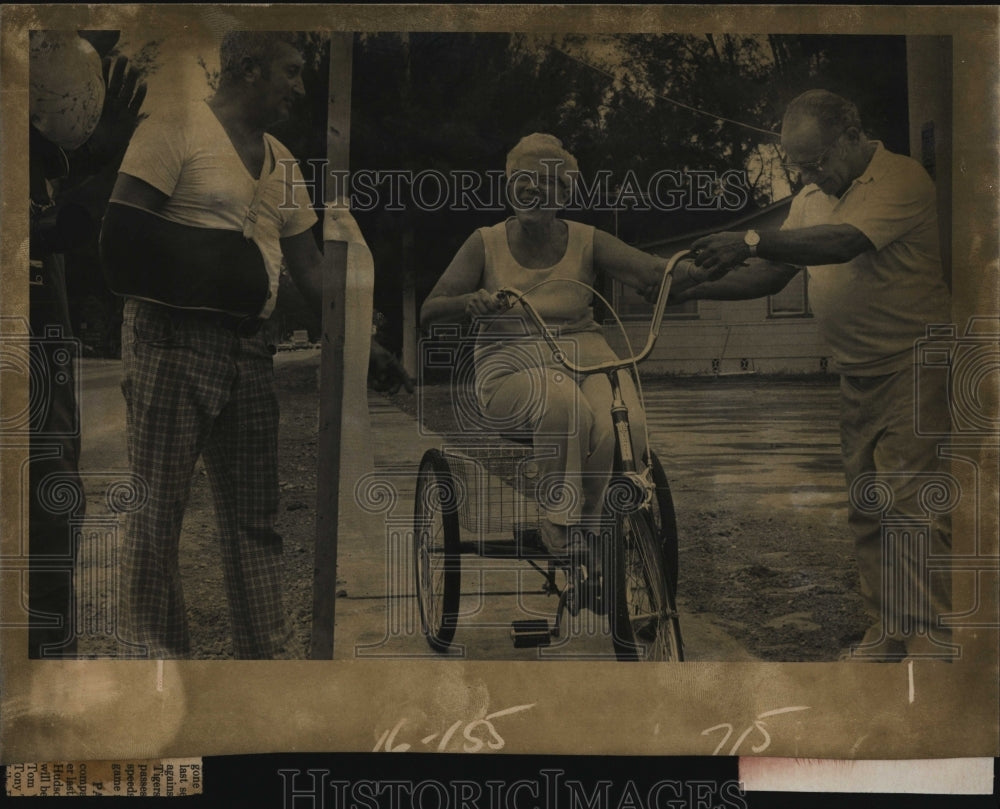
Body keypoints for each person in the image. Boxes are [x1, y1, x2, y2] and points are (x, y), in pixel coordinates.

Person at [100, 31, 410, 659]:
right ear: (247, 68)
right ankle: (160, 674)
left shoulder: (283, 162)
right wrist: (216, 267)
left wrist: (361, 343)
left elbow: (314, 275)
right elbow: (121, 239)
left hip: (249, 352)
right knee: (157, 519)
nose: (300, 87)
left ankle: (263, 672)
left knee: (253, 523)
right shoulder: (176, 128)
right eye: (290, 72)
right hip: (171, 342)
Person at [677, 89, 953, 661]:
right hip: (856, 373)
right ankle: (888, 633)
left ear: (854, 136)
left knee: (911, 506)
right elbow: (772, 276)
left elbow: (843, 242)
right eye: (798, 165)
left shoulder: (901, 180)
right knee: (869, 507)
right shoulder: (810, 198)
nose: (810, 174)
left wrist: (750, 237)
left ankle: (933, 643)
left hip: (915, 364)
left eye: (818, 160)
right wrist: (683, 283)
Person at [421, 133, 723, 561]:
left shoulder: (586, 239)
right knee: (562, 402)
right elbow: (430, 310)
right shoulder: (485, 242)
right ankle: (558, 520)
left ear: (565, 191)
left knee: (627, 423)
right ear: (508, 184)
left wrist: (710, 268)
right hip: (512, 368)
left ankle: (597, 526)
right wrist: (469, 303)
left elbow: (654, 274)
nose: (531, 189)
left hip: (589, 355)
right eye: (521, 178)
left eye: (546, 181)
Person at [28, 31, 147, 658]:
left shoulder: (46, 170)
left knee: (55, 508)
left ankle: (50, 666)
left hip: (49, 372)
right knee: (45, 515)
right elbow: (51, 230)